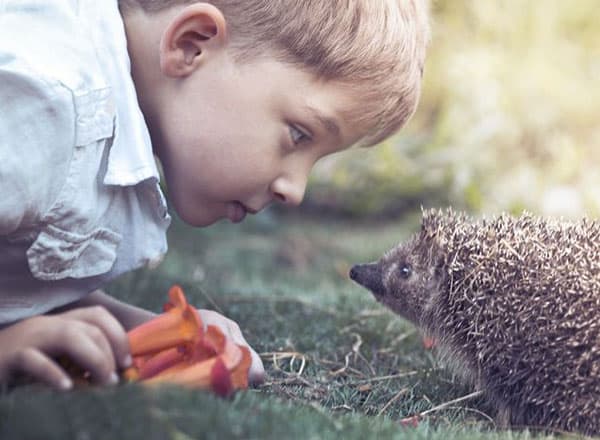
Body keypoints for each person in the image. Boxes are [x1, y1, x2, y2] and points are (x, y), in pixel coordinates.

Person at [0, 0, 429, 390]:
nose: (294, 191)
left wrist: (149, 334)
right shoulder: (45, 109)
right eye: (299, 134)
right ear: (192, 45)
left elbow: (17, 274)